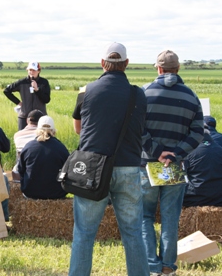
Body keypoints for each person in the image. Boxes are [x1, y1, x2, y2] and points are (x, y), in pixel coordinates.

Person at [68, 42, 149, 276]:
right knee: (133, 232)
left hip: (92, 169)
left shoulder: (87, 91)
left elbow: (78, 129)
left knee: (84, 233)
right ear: (126, 64)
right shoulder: (138, 94)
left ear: (103, 63)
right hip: (128, 167)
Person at [140, 50, 204, 276]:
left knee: (145, 216)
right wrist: (175, 154)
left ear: (158, 69)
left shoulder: (144, 92)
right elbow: (198, 133)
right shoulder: (191, 96)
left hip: (146, 165)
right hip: (175, 166)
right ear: (178, 69)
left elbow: (135, 129)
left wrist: (156, 151)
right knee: (170, 218)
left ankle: (151, 265)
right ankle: (168, 267)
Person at [17, 115, 69, 200]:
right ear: (53, 130)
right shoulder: (61, 148)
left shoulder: (28, 147)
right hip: (57, 193)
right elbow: (67, 171)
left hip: (31, 192)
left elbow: (21, 170)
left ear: (38, 130)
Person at [183, 130, 222, 207]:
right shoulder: (220, 149)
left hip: (194, 198)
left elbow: (179, 175)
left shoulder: (190, 150)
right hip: (220, 198)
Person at [3, 61, 50, 130]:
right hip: (24, 117)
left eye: (34, 70)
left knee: (41, 139)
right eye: (30, 70)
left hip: (41, 117)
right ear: (27, 70)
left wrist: (37, 90)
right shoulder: (22, 82)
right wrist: (18, 102)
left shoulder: (44, 82)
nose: (31, 72)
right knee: (22, 138)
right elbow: (7, 91)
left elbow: (46, 100)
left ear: (39, 71)